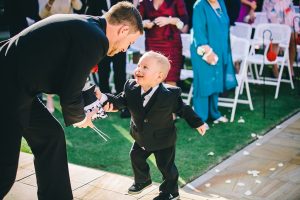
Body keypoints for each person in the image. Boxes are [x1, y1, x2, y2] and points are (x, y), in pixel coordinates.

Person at [0, 2, 143, 199]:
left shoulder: (89, 26)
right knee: (4, 169)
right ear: (124, 29)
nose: (125, 49)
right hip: (8, 87)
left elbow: (70, 75)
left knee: (50, 136)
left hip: (18, 85)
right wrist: (80, 118)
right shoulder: (95, 38)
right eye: (129, 42)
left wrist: (97, 96)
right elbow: (69, 92)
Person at [97, 51, 206, 200]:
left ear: (159, 76)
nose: (139, 69)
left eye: (145, 67)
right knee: (135, 156)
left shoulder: (170, 94)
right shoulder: (131, 87)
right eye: (139, 65)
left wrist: (197, 122)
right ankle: (143, 180)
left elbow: (183, 109)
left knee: (166, 167)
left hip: (164, 139)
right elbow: (121, 100)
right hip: (140, 136)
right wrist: (108, 102)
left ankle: (170, 193)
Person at [190, 0, 237, 128]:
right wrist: (208, 51)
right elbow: (198, 31)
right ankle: (200, 119)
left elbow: (225, 26)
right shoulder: (200, 5)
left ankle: (214, 114)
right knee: (204, 83)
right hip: (203, 50)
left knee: (216, 81)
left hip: (220, 50)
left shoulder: (221, 3)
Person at [86, 0, 133, 118]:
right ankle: (104, 103)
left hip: (120, 41)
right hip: (102, 42)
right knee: (103, 72)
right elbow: (89, 16)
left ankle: (122, 104)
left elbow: (130, 18)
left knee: (120, 72)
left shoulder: (124, 2)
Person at [138, 0, 189, 86]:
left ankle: (170, 99)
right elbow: (137, 21)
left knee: (171, 78)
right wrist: (144, 24)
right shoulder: (144, 2)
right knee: (151, 77)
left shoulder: (177, 1)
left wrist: (170, 20)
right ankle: (152, 99)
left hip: (171, 45)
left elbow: (184, 20)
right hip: (152, 44)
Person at [263, 0, 297, 77]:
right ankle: (275, 69)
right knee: (276, 39)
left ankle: (290, 67)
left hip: (287, 7)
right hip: (273, 7)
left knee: (293, 39)